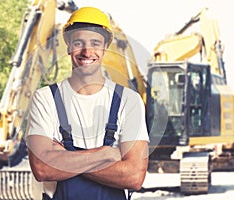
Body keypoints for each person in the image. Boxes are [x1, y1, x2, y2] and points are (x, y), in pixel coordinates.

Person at [26, 7, 149, 200]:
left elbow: (134, 176)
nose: (87, 51)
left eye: (95, 43)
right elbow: (42, 168)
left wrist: (64, 157)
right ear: (68, 46)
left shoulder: (129, 100)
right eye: (78, 43)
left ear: (105, 48)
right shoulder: (45, 98)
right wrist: (106, 154)